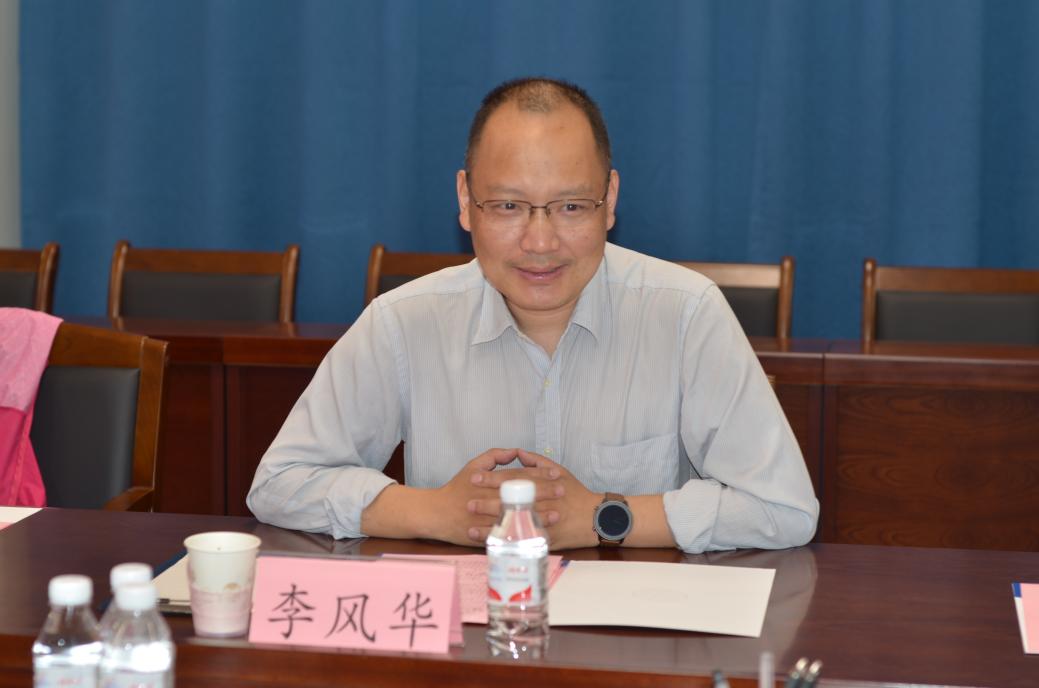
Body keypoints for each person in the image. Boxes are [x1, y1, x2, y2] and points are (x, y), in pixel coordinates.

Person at [247, 77, 818, 553]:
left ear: (611, 200)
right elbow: (279, 484)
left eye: (571, 206)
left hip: (630, 633)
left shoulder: (686, 312)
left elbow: (784, 510)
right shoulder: (403, 321)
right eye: (508, 206)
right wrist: (435, 512)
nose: (540, 242)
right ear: (465, 201)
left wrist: (602, 516)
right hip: (470, 635)